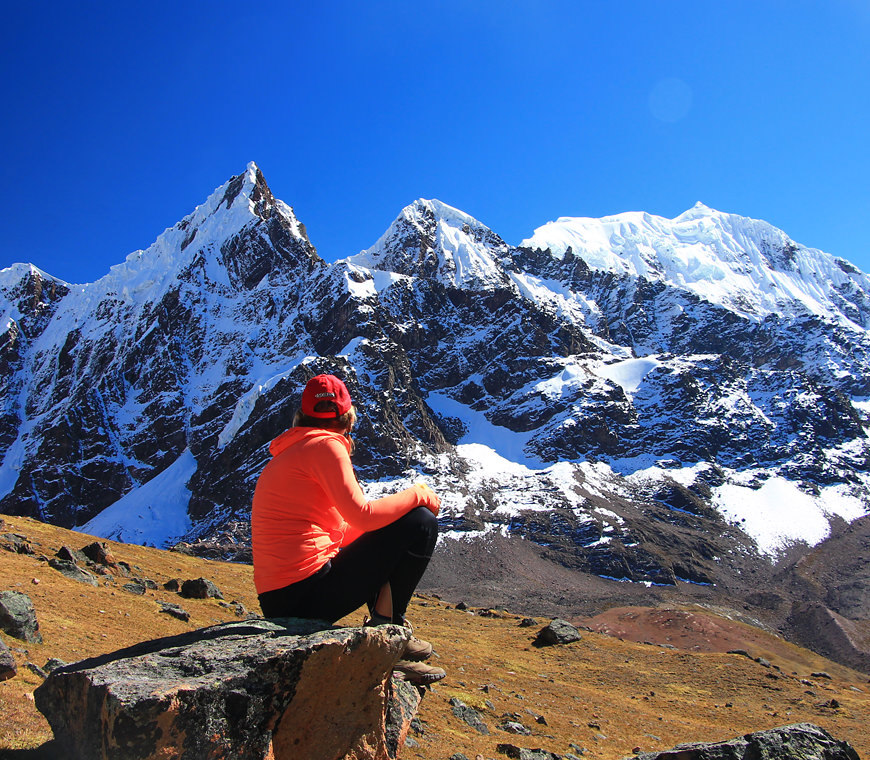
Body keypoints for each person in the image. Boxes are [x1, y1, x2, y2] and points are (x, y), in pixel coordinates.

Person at [251, 373, 445, 684]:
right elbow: (363, 516)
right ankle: (387, 641)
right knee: (420, 523)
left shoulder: (294, 450)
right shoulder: (327, 446)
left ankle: (387, 631)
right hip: (303, 598)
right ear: (347, 417)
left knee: (398, 525)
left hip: (281, 599)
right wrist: (418, 494)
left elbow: (345, 530)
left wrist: (390, 527)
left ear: (301, 415)